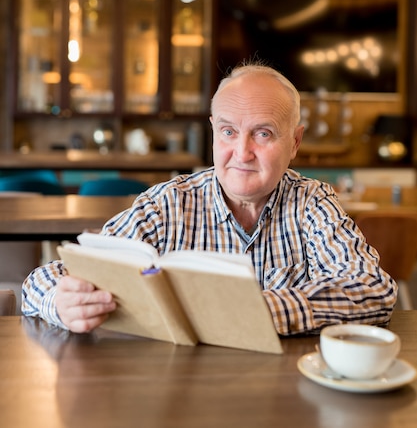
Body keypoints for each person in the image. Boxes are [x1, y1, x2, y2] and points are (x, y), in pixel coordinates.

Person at [22, 62, 397, 336]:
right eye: (229, 132)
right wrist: (61, 301)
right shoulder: (168, 204)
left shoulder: (312, 202)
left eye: (263, 134)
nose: (242, 152)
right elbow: (43, 279)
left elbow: (374, 291)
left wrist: (252, 308)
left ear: (294, 142)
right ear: (214, 133)